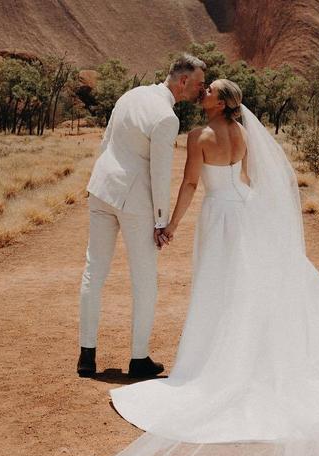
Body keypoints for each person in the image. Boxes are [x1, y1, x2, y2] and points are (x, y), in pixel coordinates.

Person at [80, 79, 319, 456]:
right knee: (246, 289)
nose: (203, 94)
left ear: (221, 102)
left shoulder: (200, 136)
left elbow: (192, 184)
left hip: (217, 217)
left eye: (209, 91)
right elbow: (249, 179)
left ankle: (221, 360)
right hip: (243, 213)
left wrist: (170, 225)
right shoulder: (245, 132)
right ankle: (252, 351)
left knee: (220, 290)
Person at [78, 54, 206, 378]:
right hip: (134, 202)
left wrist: (94, 182)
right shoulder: (166, 117)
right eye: (200, 83)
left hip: (101, 188)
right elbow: (159, 174)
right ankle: (138, 359)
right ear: (183, 82)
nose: (202, 89)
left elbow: (106, 141)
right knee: (145, 280)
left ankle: (86, 356)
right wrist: (161, 222)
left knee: (95, 271)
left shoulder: (131, 95)